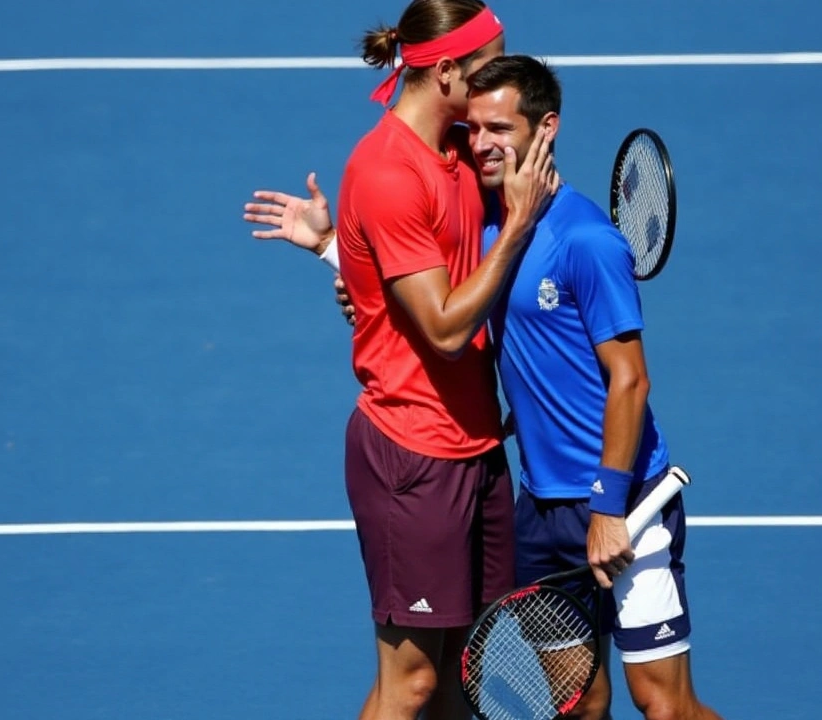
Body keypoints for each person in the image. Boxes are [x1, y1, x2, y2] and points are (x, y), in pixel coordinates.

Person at [250, 54, 725, 720]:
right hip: (541, 511)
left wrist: (610, 507)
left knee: (663, 704)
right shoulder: (492, 229)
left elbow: (631, 380)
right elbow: (430, 307)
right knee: (578, 703)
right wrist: (333, 247)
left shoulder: (587, 240)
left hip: (627, 502)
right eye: (473, 130)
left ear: (546, 128)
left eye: (499, 128)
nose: (481, 144)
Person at [242, 4, 557, 720]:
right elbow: (444, 328)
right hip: (412, 458)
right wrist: (519, 226)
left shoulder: (456, 146)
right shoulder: (387, 171)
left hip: (477, 450)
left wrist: (337, 253)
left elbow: (412, 280)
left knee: (459, 675)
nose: (502, 77)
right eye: (489, 67)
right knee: (411, 684)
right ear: (446, 71)